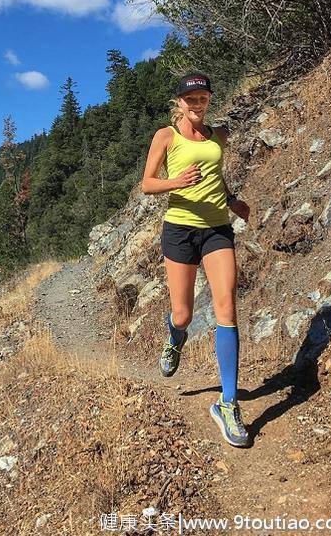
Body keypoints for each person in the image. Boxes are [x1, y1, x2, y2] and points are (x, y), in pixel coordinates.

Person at [140, 72, 251, 447]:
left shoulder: (218, 136)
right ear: (179, 103)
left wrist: (232, 199)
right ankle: (175, 340)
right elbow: (148, 183)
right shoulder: (166, 136)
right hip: (180, 230)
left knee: (226, 308)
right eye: (191, 100)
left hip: (217, 228)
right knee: (183, 314)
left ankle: (228, 403)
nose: (198, 104)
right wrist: (177, 183)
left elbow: (215, 176)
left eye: (203, 98)